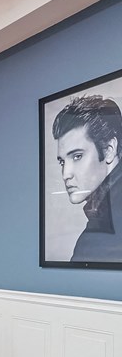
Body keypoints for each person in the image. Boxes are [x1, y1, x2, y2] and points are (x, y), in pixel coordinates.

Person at [52, 94, 122, 262]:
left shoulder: (104, 232)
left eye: (77, 156)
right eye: (62, 161)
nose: (65, 174)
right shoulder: (103, 217)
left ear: (109, 149)